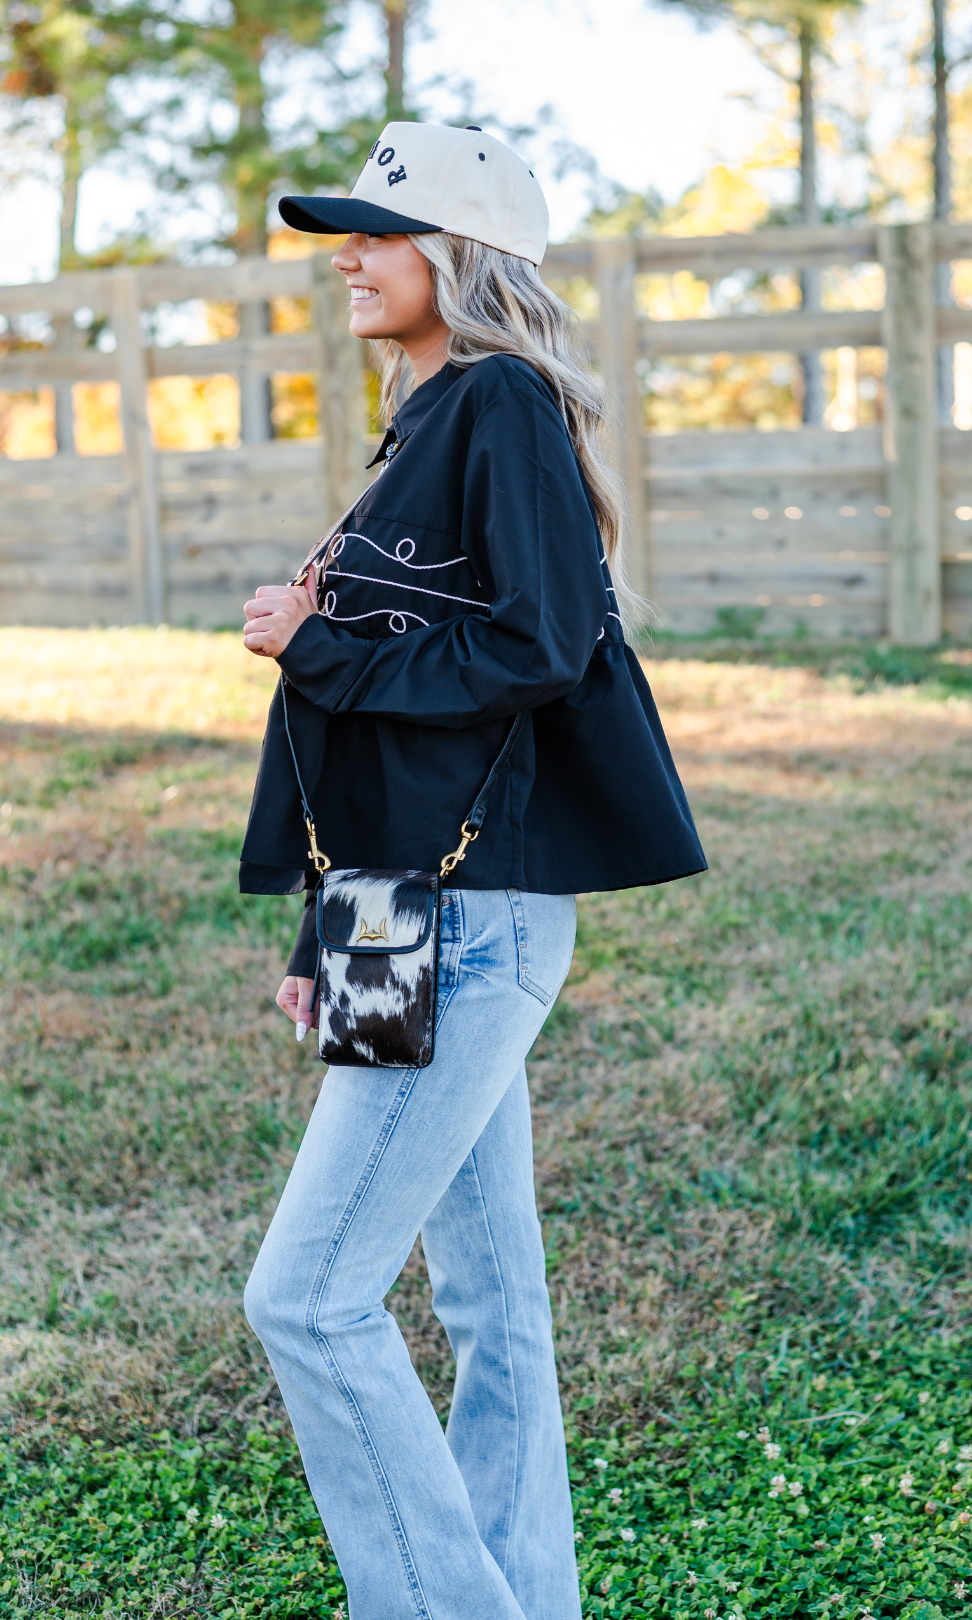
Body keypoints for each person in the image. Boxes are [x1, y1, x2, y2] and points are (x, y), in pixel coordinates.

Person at [238, 121, 705, 1620]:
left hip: (472, 917)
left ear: (457, 255)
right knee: (491, 1306)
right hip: (391, 908)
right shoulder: (422, 421)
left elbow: (540, 644)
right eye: (345, 237)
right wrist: (331, 927)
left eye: (376, 233)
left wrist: (313, 643)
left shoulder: (495, 399)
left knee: (304, 1300)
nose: (349, 259)